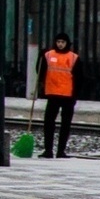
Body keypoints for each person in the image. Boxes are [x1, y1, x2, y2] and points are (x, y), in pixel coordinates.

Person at [37, 31, 84, 159]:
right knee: (48, 123)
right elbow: (40, 71)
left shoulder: (73, 57)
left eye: (62, 42)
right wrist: (40, 57)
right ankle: (48, 150)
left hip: (67, 95)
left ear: (67, 43)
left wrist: (75, 95)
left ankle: (61, 151)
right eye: (58, 42)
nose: (60, 44)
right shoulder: (47, 55)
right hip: (52, 94)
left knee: (65, 124)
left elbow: (79, 78)